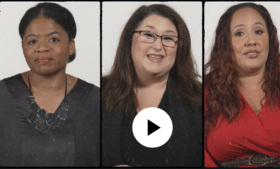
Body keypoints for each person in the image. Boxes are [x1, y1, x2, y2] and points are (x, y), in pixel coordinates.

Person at [102, 4, 202, 167]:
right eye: (148, 35)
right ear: (129, 41)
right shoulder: (97, 94)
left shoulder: (201, 101)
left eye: (168, 38)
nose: (157, 46)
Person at [0, 3, 100, 166]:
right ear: (23, 47)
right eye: (32, 41)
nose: (42, 48)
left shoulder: (97, 100)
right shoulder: (2, 95)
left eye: (53, 39)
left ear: (71, 46)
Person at [204, 2, 280, 167]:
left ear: (270, 39)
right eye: (239, 33)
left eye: (258, 32)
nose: (251, 41)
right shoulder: (206, 91)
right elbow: (197, 153)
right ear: (225, 44)